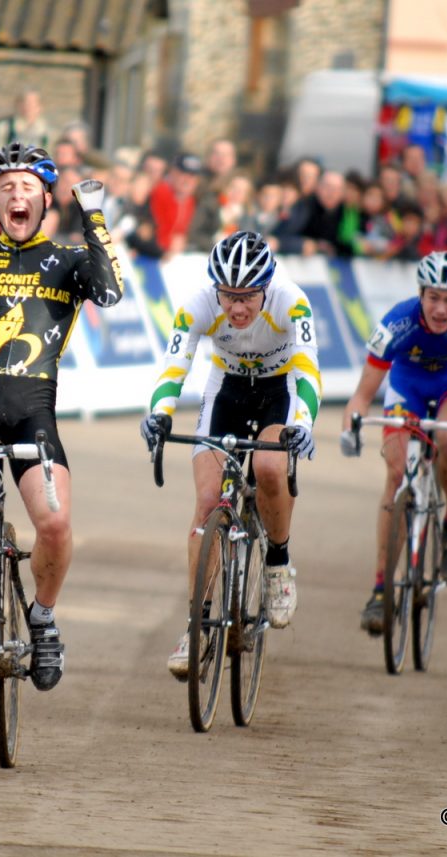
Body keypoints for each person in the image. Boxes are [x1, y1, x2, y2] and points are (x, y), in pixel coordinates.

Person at [0, 142, 124, 692]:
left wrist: (94, 217)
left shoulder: (68, 260)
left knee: (54, 523)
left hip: (34, 408)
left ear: (46, 201)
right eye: (6, 188)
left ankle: (43, 619)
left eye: (28, 187)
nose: (17, 195)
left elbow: (109, 292)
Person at [140, 230, 320, 678]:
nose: (237, 308)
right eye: (228, 296)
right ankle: (197, 626)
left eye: (247, 297)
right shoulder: (198, 303)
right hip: (227, 391)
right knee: (206, 504)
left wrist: (302, 424)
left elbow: (307, 369)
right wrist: (159, 413)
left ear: (266, 288)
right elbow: (174, 366)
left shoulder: (291, 302)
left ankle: (277, 562)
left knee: (269, 467)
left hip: (279, 392)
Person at [340, 250, 447, 635]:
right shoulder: (397, 323)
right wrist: (350, 430)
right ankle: (381, 589)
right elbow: (362, 395)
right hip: (406, 390)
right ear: (420, 294)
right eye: (433, 298)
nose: (441, 309)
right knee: (395, 480)